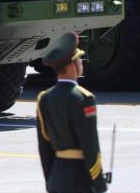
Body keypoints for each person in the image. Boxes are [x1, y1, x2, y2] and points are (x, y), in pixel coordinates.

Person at [36, 32, 108, 193]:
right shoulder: (83, 98)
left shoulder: (44, 98)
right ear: (72, 66)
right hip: (80, 179)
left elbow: (44, 148)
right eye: (79, 59)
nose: (81, 62)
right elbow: (90, 145)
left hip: (57, 177)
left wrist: (51, 179)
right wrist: (100, 185)